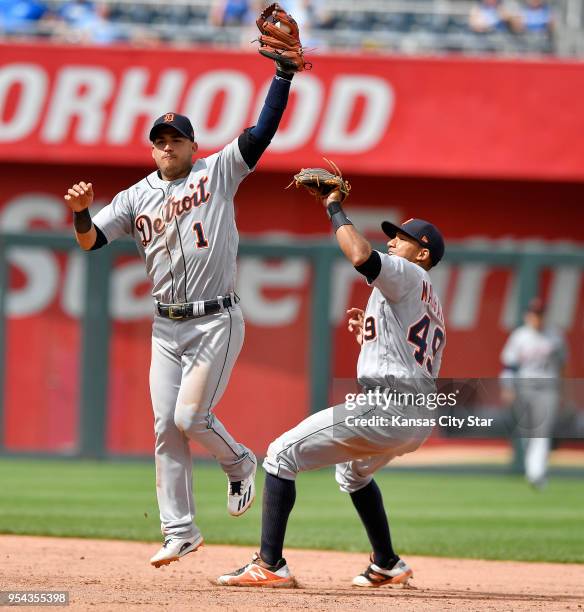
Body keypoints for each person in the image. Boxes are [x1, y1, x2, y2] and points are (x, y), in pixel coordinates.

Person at [63, 53, 297, 567]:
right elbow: (90, 241)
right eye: (160, 141)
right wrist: (81, 212)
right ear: (153, 149)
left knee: (191, 416)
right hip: (165, 326)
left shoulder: (219, 169)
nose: (167, 147)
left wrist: (281, 77)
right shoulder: (134, 196)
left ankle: (239, 463)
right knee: (165, 427)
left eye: (177, 139)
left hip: (216, 318)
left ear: (194, 145)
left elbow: (261, 132)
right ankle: (180, 530)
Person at [217, 188, 446, 588]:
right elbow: (409, 353)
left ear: (422, 254)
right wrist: (371, 336)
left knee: (279, 454)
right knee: (353, 475)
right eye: (391, 235)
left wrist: (334, 208)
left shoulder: (408, 273)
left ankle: (270, 564)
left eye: (402, 239)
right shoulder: (428, 298)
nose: (391, 241)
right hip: (416, 414)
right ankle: (387, 562)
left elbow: (360, 255)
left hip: (389, 406)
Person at [500, 297, 567, 489]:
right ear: (527, 315)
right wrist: (508, 387)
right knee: (527, 431)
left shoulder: (555, 336)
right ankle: (533, 469)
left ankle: (536, 473)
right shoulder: (520, 336)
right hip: (524, 387)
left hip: (548, 388)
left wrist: (564, 391)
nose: (537, 317)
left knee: (542, 431)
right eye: (534, 313)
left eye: (540, 313)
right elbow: (509, 365)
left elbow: (563, 366)